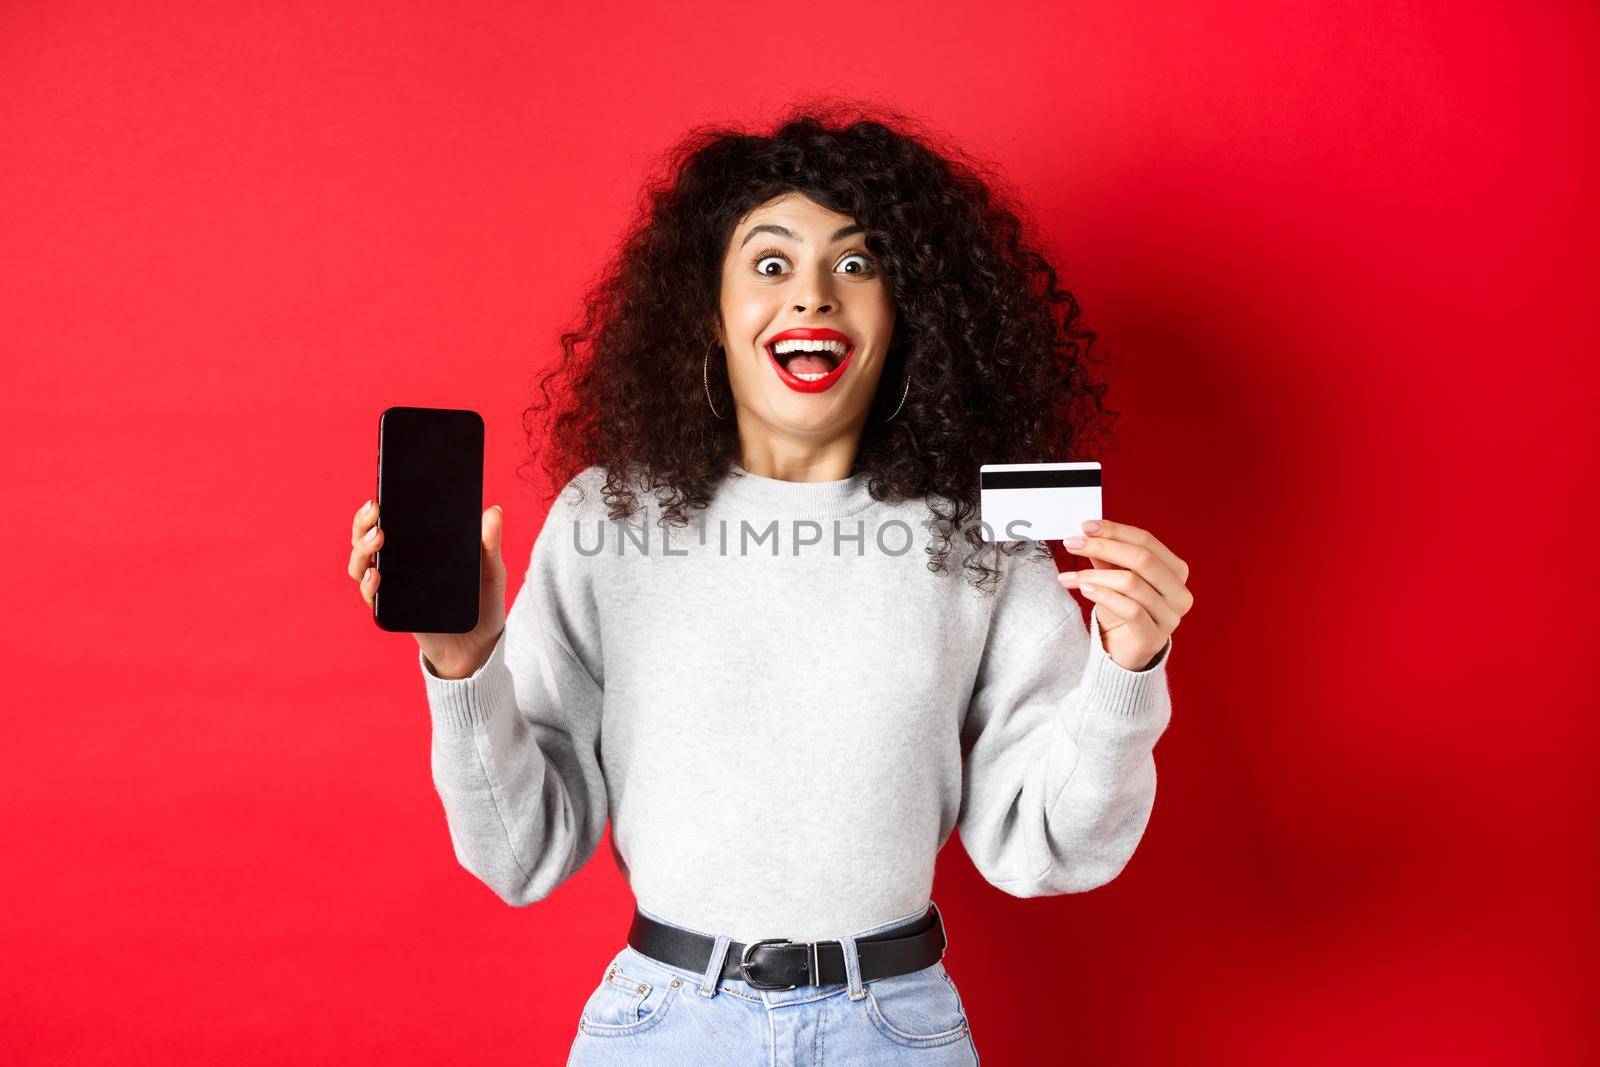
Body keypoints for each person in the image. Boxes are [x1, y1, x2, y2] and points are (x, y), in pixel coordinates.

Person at [345, 101, 1194, 1065]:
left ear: (903, 310)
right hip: (662, 1030)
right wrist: (462, 666)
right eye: (772, 262)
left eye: (858, 263)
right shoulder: (607, 519)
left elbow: (1048, 845)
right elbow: (521, 851)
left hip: (896, 1032)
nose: (815, 297)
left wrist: (1128, 672)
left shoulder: (973, 536)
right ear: (710, 309)